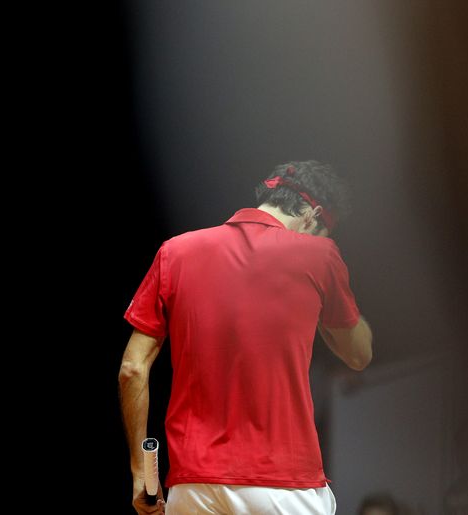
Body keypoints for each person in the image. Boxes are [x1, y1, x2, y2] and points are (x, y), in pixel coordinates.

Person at [118, 160, 373, 515]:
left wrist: (141, 476)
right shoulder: (319, 256)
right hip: (283, 484)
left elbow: (132, 368)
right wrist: (332, 299)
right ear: (313, 215)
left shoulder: (174, 252)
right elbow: (359, 355)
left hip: (192, 487)